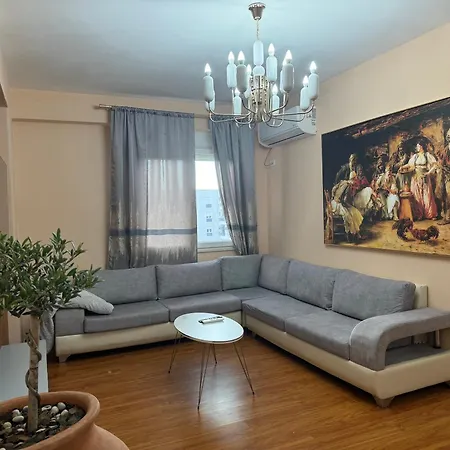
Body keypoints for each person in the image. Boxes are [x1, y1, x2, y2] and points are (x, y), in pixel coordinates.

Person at [400, 137, 438, 220]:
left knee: (427, 196)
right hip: (416, 177)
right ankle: (419, 214)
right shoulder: (415, 156)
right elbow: (410, 165)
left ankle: (430, 214)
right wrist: (402, 167)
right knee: (417, 195)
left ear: (421, 147)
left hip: (424, 177)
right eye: (417, 146)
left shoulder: (427, 155)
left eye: (418, 146)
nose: (417, 148)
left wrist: (429, 172)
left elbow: (435, 164)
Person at [436, 128, 450, 224]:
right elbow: (441, 162)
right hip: (446, 176)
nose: (448, 137)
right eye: (448, 136)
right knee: (444, 196)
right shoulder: (445, 149)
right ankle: (447, 217)